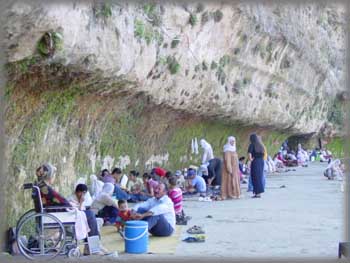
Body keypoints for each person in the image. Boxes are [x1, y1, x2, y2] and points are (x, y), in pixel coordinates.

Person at [67, 184, 108, 255]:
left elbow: (83, 212)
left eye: (84, 193)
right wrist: (81, 203)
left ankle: (90, 247)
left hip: (80, 218)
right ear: (76, 192)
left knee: (95, 222)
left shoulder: (81, 198)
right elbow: (77, 212)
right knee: (91, 216)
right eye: (81, 192)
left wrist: (81, 202)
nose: (82, 195)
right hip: (74, 219)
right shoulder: (71, 199)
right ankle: (94, 247)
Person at [248, 133, 265, 198]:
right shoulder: (261, 145)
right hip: (261, 161)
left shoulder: (252, 145)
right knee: (259, 177)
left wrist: (251, 160)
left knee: (255, 177)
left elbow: (249, 154)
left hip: (255, 162)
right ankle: (259, 192)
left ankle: (257, 193)